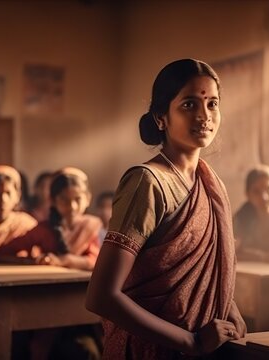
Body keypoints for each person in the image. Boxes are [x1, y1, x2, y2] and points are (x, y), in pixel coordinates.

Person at [85, 58, 246, 359]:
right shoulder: (147, 183)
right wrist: (190, 342)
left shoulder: (212, 185)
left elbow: (212, 273)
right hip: (154, 350)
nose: (204, 116)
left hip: (209, 346)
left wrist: (228, 307)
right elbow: (101, 297)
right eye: (189, 105)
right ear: (161, 117)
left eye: (212, 104)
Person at [0, 167, 102, 360]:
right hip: (44, 301)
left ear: (88, 198)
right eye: (64, 200)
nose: (72, 206)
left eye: (77, 199)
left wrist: (63, 261)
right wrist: (31, 262)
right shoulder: (44, 229)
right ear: (53, 201)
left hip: (81, 304)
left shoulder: (90, 226)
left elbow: (96, 261)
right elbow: (0, 253)